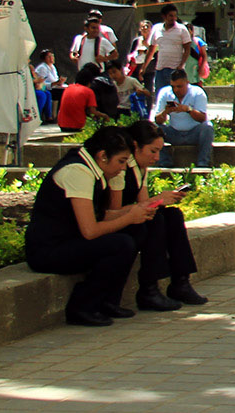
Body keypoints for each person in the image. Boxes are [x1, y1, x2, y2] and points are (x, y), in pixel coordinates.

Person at [24, 126, 149, 326]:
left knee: (137, 230)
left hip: (70, 240)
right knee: (121, 244)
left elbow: (100, 216)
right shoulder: (78, 171)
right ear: (102, 156)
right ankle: (82, 307)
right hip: (49, 250)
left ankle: (109, 301)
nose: (124, 168)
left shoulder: (92, 169)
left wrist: (133, 212)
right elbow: (90, 231)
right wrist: (128, 217)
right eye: (121, 161)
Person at [113, 120, 207, 311]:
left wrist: (162, 201)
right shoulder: (121, 168)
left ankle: (181, 281)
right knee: (156, 221)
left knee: (173, 215)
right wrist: (157, 199)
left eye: (159, 152)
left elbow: (144, 202)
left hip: (135, 215)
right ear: (135, 147)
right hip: (119, 221)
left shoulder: (140, 167)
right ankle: (149, 288)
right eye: (152, 151)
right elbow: (114, 210)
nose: (156, 158)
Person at [152, 69, 214, 168]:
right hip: (174, 133)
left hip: (193, 133)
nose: (176, 90)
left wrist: (188, 110)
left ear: (187, 83)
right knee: (154, 129)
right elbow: (157, 120)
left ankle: (203, 163)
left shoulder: (197, 93)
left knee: (208, 127)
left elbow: (202, 118)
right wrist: (165, 112)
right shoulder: (165, 93)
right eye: (173, 87)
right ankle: (165, 162)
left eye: (179, 86)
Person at [146, 5, 198, 92]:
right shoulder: (156, 28)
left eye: (175, 15)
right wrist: (144, 67)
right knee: (161, 94)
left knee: (175, 95)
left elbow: (187, 49)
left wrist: (181, 65)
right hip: (160, 68)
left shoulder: (182, 29)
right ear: (164, 16)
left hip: (175, 69)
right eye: (170, 15)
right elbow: (151, 49)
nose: (173, 18)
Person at [58, 63, 102, 132]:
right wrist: (105, 116)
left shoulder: (68, 88)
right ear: (90, 82)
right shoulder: (88, 91)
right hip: (77, 126)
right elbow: (92, 111)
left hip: (62, 125)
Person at [33, 49, 62, 124]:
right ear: (44, 58)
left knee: (48, 94)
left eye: (52, 56)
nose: (51, 58)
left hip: (51, 87)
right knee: (43, 94)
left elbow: (55, 79)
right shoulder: (42, 68)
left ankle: (49, 117)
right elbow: (42, 83)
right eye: (49, 57)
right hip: (41, 87)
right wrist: (54, 83)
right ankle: (38, 117)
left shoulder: (52, 67)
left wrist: (59, 82)